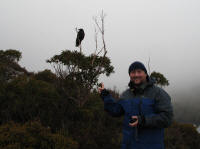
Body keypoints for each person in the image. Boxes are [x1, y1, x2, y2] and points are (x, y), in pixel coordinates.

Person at [98, 61, 173, 149]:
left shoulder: (158, 93)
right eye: (133, 72)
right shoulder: (126, 94)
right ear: (130, 75)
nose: (136, 75)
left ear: (145, 74)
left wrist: (143, 120)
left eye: (139, 72)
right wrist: (105, 95)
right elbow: (116, 111)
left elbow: (167, 118)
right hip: (129, 145)